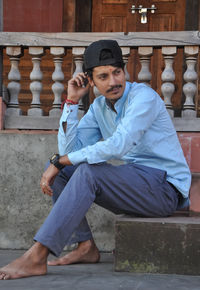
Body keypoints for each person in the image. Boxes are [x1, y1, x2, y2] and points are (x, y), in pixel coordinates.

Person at [0, 39, 191, 280]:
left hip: (165, 190)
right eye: (103, 76)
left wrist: (61, 160)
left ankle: (37, 255)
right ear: (90, 81)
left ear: (125, 72)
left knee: (82, 171)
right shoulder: (99, 107)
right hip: (137, 184)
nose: (113, 82)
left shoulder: (144, 98)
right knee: (63, 173)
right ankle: (85, 246)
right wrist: (71, 101)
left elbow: (119, 144)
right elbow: (69, 149)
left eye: (117, 73)